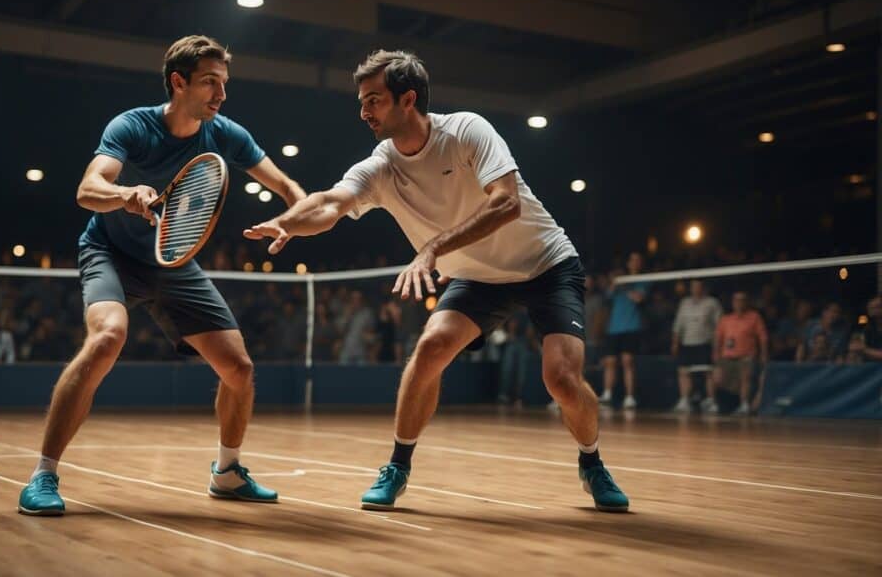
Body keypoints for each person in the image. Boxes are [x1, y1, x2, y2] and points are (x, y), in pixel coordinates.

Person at [244, 50, 628, 512]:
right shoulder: (381, 165)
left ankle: (592, 462)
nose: (363, 111)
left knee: (562, 379)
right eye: (362, 101)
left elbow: (507, 204)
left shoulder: (466, 130)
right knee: (431, 348)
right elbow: (329, 204)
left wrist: (432, 249)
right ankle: (397, 466)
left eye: (374, 100)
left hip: (546, 264)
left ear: (408, 99)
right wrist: (289, 221)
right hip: (475, 276)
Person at [17, 35, 307, 515]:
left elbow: (285, 184)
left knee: (239, 368)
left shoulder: (226, 133)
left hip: (171, 259)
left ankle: (228, 472)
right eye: (211, 83)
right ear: (179, 82)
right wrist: (126, 194)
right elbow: (88, 189)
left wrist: (293, 217)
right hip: (109, 249)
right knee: (107, 337)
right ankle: (43, 475)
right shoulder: (133, 126)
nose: (221, 94)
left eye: (224, 83)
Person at [706, 292, 768, 416]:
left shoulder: (754, 317)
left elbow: (763, 337)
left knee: (746, 376)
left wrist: (764, 354)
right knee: (714, 376)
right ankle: (712, 402)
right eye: (736, 300)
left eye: (742, 300)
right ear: (733, 302)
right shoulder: (725, 319)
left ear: (747, 302)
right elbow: (718, 338)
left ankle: (744, 405)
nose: (739, 303)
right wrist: (716, 354)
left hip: (746, 356)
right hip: (727, 357)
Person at [600, 253, 649, 409]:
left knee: (628, 361)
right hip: (614, 328)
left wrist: (625, 286)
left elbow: (638, 298)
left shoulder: (643, 281)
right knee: (610, 362)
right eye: (632, 260)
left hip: (631, 327)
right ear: (628, 263)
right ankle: (607, 394)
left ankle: (629, 397)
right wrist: (615, 283)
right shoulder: (620, 280)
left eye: (638, 260)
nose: (635, 262)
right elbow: (608, 295)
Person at [670, 280, 721, 413]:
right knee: (683, 372)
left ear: (703, 288)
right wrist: (675, 342)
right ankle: (684, 400)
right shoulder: (685, 303)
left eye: (698, 286)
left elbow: (719, 327)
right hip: (687, 343)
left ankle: (711, 400)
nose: (695, 289)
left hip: (704, 342)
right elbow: (678, 325)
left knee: (708, 373)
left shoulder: (712, 303)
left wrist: (716, 347)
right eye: (693, 287)